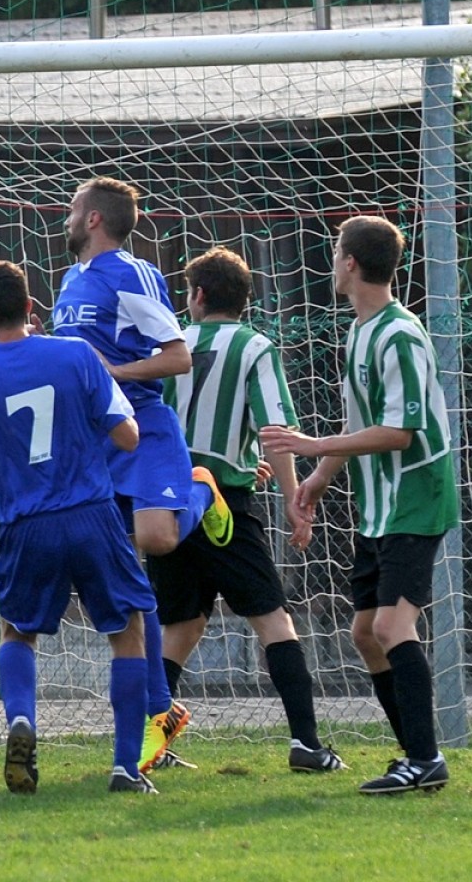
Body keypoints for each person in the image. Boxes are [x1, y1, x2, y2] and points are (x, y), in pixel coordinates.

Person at [0, 261, 157, 794]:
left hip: (24, 525)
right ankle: (124, 767)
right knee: (127, 629)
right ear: (30, 309)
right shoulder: (75, 354)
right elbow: (130, 436)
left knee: (17, 631)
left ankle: (22, 721)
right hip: (91, 515)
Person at [262, 216, 458, 795]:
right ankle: (416, 755)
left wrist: (313, 446)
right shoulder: (360, 331)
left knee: (393, 624)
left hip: (415, 497)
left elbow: (399, 432)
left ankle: (425, 759)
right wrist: (320, 477)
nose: (331, 263)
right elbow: (360, 422)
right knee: (365, 633)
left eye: (335, 253)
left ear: (350, 263)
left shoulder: (398, 334)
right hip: (381, 505)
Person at [50, 176, 233, 771]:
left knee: (156, 538)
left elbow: (177, 356)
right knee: (128, 586)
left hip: (143, 427)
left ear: (95, 220)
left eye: (74, 208)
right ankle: (162, 712)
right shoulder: (69, 282)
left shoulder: (131, 274)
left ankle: (201, 490)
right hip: (91, 441)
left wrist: (110, 372)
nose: (68, 216)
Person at [152, 246, 343, 773]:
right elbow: (275, 432)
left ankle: (154, 745)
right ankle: (306, 744)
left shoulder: (172, 345)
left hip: (168, 501)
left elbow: (159, 422)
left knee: (181, 627)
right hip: (222, 506)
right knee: (273, 620)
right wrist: (293, 497)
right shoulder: (255, 345)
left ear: (198, 295)